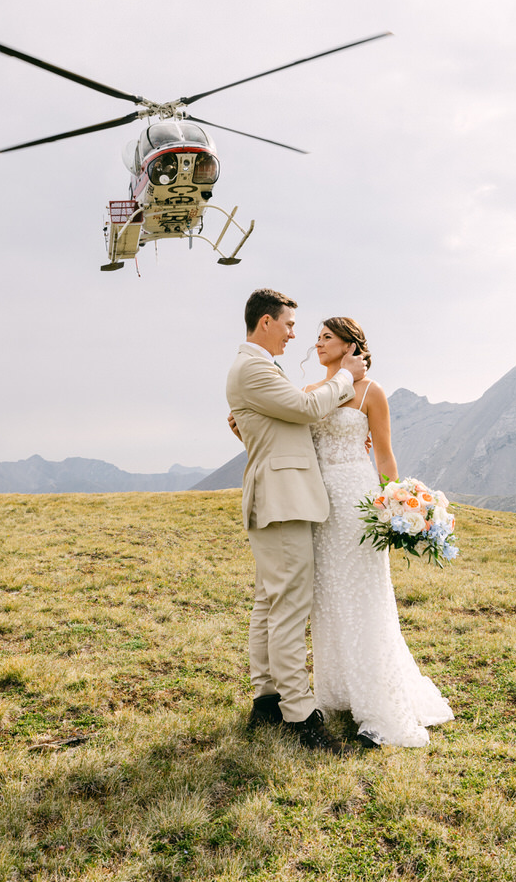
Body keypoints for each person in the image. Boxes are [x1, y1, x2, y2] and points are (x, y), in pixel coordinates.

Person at [225, 288, 367, 753]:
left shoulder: (259, 370)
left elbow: (288, 421)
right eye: (288, 325)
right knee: (289, 605)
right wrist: (345, 378)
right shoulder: (252, 368)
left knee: (270, 601)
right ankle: (300, 715)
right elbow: (306, 408)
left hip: (282, 496)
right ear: (265, 322)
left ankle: (266, 699)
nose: (293, 334)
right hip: (282, 500)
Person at [305, 317, 453, 747]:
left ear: (351, 345)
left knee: (364, 597)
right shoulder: (311, 393)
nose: (317, 344)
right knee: (329, 596)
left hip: (357, 500)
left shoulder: (372, 393)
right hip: (319, 506)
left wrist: (398, 510)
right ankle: (338, 691)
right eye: (316, 338)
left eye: (326, 338)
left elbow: (385, 457)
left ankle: (379, 708)